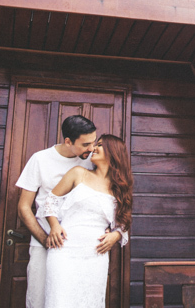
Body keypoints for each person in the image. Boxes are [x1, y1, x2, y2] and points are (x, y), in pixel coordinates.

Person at [16, 116, 127, 308]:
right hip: (47, 240)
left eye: (94, 143)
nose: (92, 148)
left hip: (82, 246)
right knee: (41, 298)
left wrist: (115, 233)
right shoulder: (40, 160)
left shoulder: (89, 162)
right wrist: (47, 238)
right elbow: (24, 207)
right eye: (86, 144)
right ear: (68, 141)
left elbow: (108, 203)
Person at [40, 134, 133, 308]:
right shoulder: (78, 173)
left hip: (94, 255)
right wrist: (54, 225)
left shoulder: (119, 188)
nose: (93, 148)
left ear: (114, 152)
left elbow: (124, 222)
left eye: (100, 145)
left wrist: (116, 236)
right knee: (59, 301)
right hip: (65, 250)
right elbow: (50, 200)